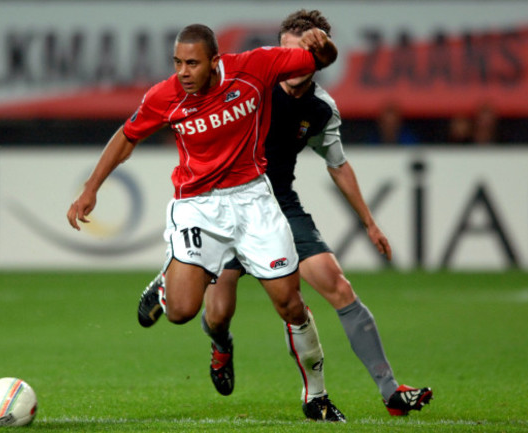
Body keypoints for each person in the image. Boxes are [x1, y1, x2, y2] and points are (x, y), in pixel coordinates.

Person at [138, 10, 433, 417]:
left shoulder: (321, 108)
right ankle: (215, 336)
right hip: (225, 206)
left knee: (337, 287)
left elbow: (337, 163)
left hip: (278, 208)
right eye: (286, 51)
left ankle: (389, 392)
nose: (292, 61)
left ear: (317, 56)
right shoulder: (252, 83)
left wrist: (369, 221)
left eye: (303, 52)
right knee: (217, 315)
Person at [68, 22, 345, 421]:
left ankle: (316, 396)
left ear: (215, 61)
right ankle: (169, 285)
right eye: (177, 62)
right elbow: (127, 136)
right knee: (182, 312)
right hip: (198, 205)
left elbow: (320, 60)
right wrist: (92, 187)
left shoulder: (255, 67)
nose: (183, 72)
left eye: (192, 63)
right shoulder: (166, 95)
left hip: (253, 200)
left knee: (290, 304)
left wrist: (325, 47)